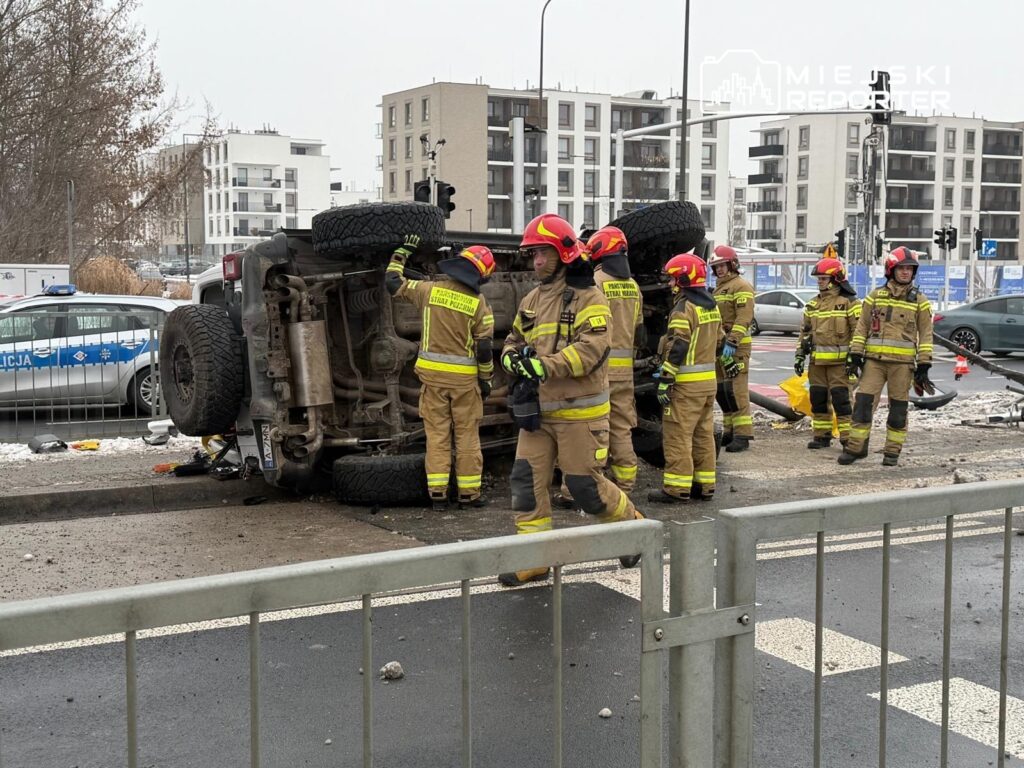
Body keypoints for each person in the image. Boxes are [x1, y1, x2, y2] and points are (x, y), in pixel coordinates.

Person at [498, 213, 641, 587]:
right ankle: (535, 560)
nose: (536, 262)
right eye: (533, 255)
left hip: (581, 414)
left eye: (542, 254)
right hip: (538, 413)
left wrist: (543, 367)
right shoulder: (531, 298)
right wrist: (510, 357)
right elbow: (513, 339)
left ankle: (633, 528)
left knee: (585, 489)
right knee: (525, 483)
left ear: (563, 254)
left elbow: (591, 350)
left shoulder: (590, 297)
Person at [386, 235, 496, 508]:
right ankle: (469, 495)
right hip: (464, 384)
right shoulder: (480, 305)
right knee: (467, 437)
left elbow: (392, 282)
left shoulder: (429, 291)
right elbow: (484, 349)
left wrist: (402, 251)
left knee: (437, 437)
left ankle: (437, 495)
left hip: (432, 381)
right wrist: (486, 380)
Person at [554, 226, 642, 499]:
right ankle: (625, 486)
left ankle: (574, 491)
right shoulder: (634, 286)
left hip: (597, 370)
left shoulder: (596, 282)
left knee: (585, 429)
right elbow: (639, 330)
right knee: (621, 427)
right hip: (624, 371)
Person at [840, 246, 934, 466]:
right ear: (891, 269)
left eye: (910, 269)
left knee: (898, 411)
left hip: (902, 366)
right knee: (863, 404)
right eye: (901, 268)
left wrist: (924, 365)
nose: (906, 272)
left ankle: (892, 452)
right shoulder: (875, 297)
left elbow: (926, 336)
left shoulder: (920, 301)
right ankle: (855, 448)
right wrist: (855, 354)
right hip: (874, 362)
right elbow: (862, 327)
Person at [648, 252, 722, 504]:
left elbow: (678, 345)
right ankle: (705, 485)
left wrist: (666, 378)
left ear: (682, 279)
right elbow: (720, 342)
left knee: (678, 435)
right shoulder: (711, 305)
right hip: (707, 384)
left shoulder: (683, 308)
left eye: (672, 280)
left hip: (685, 387)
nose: (670, 285)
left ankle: (677, 489)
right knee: (703, 435)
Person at [795, 253, 861, 449]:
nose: (820, 283)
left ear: (836, 279)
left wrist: (855, 357)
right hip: (817, 364)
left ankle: (848, 438)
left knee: (842, 401)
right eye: (819, 279)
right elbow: (804, 332)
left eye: (824, 279)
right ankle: (821, 436)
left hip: (840, 365)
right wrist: (799, 355)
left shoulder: (850, 303)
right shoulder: (813, 304)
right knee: (818, 400)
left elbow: (858, 332)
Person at [709, 245, 756, 452]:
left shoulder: (741, 286)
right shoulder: (719, 288)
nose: (719, 270)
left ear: (732, 264)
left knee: (737, 391)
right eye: (716, 266)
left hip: (735, 348)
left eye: (722, 265)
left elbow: (744, 317)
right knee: (723, 391)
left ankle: (743, 435)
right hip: (720, 348)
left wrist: (732, 341)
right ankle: (729, 431)